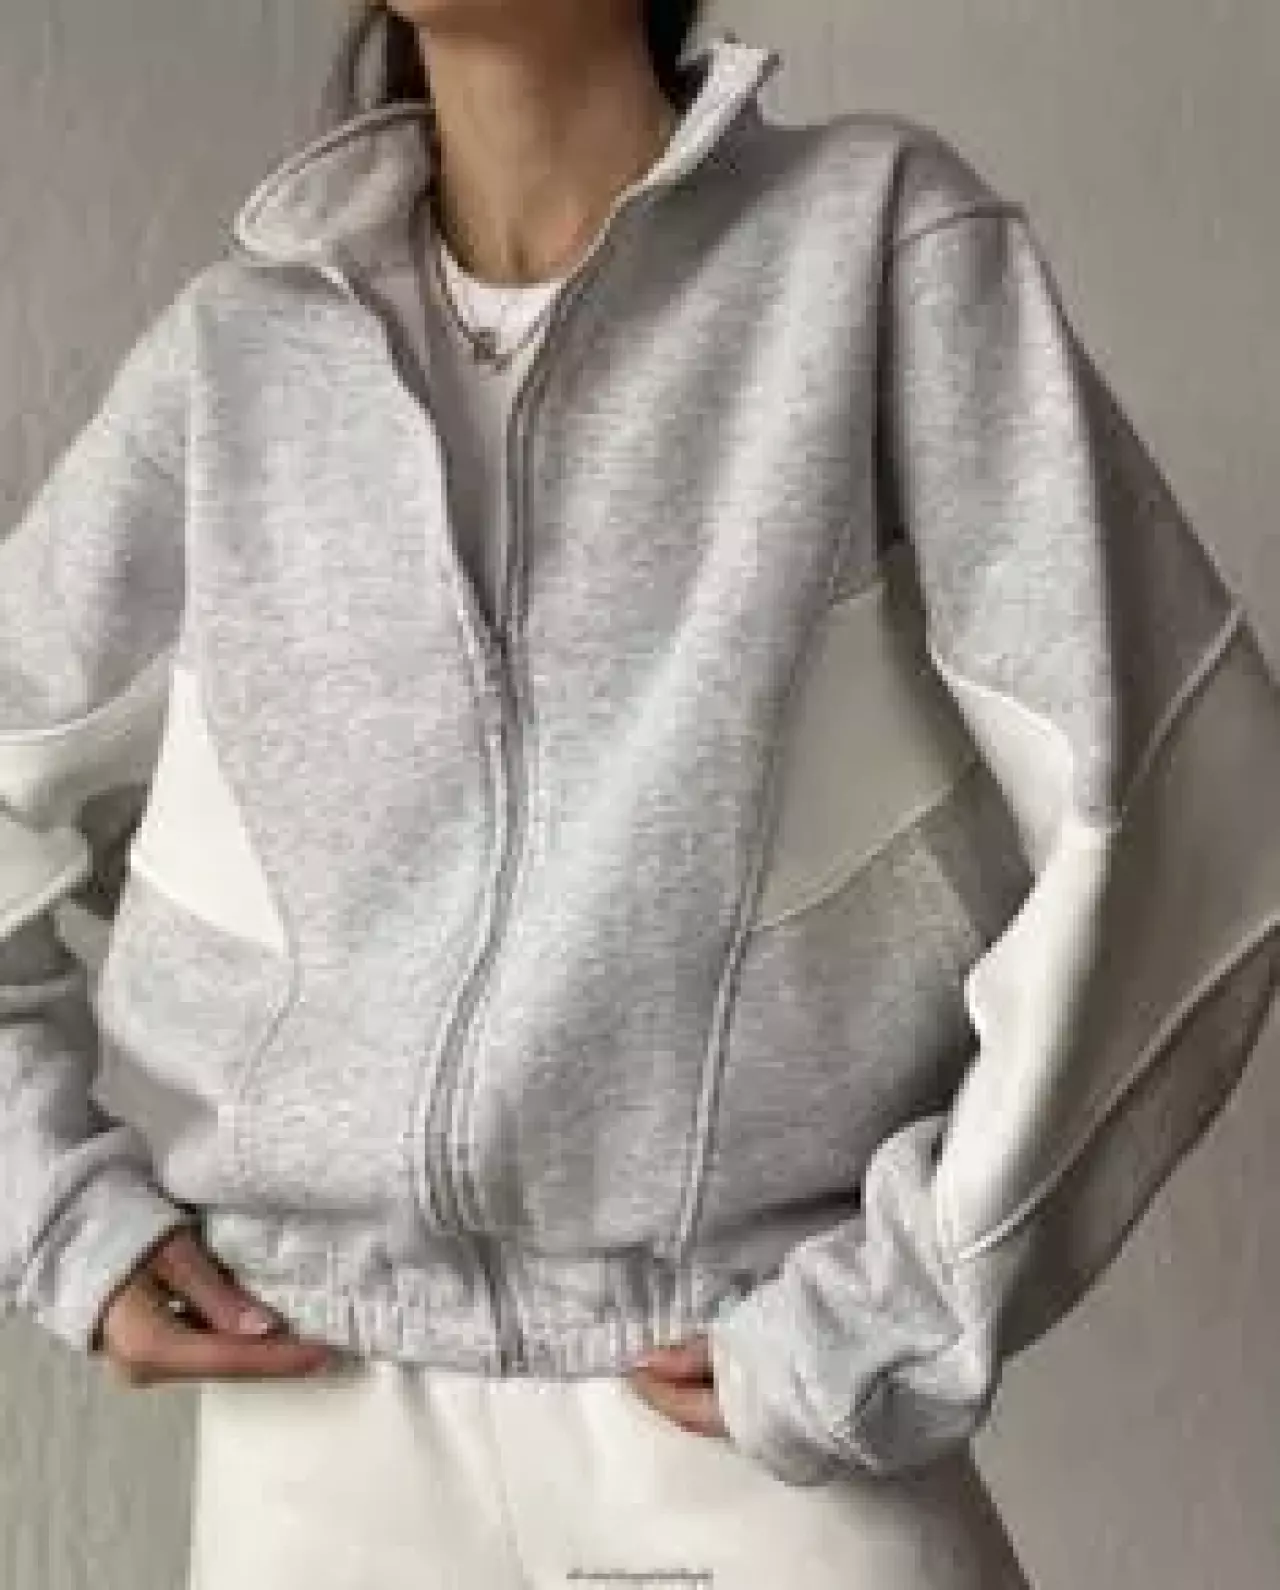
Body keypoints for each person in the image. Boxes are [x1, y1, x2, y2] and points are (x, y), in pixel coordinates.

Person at [2, 4, 1278, 1586]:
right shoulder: (238, 358)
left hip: (741, 1425)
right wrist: (55, 1212)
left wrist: (898, 1309)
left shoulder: (869, 252)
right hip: (317, 1439)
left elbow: (1187, 810)